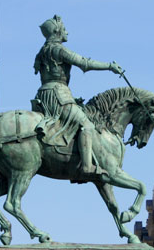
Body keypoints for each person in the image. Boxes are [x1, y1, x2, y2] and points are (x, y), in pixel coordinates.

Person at [32, 15, 123, 175]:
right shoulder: (59, 49)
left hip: (43, 96)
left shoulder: (42, 52)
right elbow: (84, 63)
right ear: (57, 31)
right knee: (86, 125)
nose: (67, 32)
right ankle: (87, 166)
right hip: (59, 95)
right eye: (64, 29)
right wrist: (109, 66)